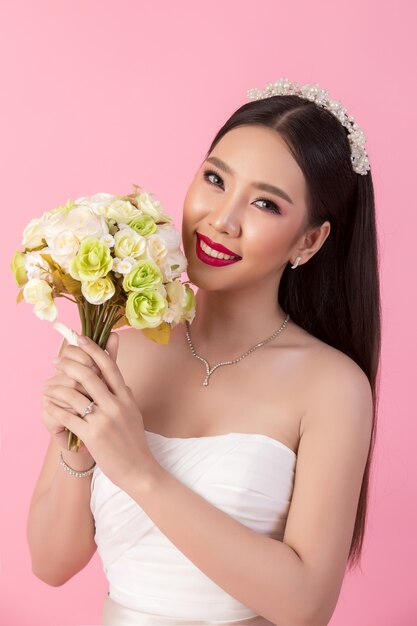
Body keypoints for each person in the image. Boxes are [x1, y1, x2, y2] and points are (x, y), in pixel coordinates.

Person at [27, 78, 381, 626]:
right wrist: (76, 444)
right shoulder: (122, 342)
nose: (222, 219)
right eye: (216, 179)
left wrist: (139, 470)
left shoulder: (331, 387)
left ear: (309, 241)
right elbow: (50, 564)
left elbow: (307, 607)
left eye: (265, 203)